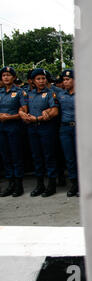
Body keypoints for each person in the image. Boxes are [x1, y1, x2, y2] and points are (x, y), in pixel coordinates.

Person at [19, 68, 59, 197]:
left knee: (49, 156)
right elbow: (22, 107)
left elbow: (54, 111)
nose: (41, 81)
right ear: (33, 81)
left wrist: (38, 118)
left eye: (43, 78)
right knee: (36, 157)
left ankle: (51, 184)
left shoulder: (50, 93)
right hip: (32, 128)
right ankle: (40, 184)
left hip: (46, 128)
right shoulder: (28, 94)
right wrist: (22, 113)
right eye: (38, 79)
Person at [0, 66, 28, 197]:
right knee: (6, 156)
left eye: (8, 75)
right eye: (4, 75)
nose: (6, 77)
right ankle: (10, 183)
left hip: (14, 126)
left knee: (16, 155)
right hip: (2, 127)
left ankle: (18, 184)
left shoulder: (19, 92)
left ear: (14, 77)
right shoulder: (0, 92)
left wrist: (10, 117)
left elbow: (24, 110)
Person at [56, 69, 79, 197]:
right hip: (65, 129)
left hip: (79, 128)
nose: (65, 82)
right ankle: (74, 183)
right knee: (69, 158)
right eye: (64, 80)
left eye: (68, 79)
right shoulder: (60, 95)